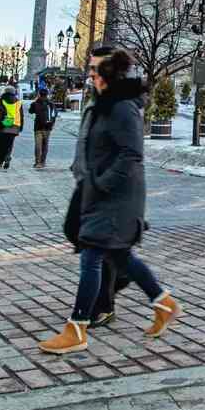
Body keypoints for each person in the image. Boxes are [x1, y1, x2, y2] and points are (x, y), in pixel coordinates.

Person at [41, 50, 180, 354]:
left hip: (116, 198)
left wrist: (101, 183)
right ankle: (163, 302)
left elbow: (132, 154)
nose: (90, 74)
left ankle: (77, 328)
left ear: (110, 72)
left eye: (95, 69)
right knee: (120, 257)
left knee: (91, 256)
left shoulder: (122, 107)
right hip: (103, 194)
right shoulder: (105, 103)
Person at [69, 46, 123, 327]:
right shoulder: (97, 97)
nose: (91, 72)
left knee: (94, 249)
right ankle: (119, 279)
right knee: (78, 233)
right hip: (87, 182)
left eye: (96, 67)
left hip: (101, 187)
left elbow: (126, 153)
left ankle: (94, 310)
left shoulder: (118, 103)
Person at [0, 87, 23, 169]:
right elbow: (21, 116)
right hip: (14, 126)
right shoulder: (18, 103)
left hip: (1, 125)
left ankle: (0, 161)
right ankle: (7, 157)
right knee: (9, 144)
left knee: (0, 144)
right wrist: (21, 126)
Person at [28, 86, 56, 168]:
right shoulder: (51, 104)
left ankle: (38, 162)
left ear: (39, 94)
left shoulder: (35, 103)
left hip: (38, 127)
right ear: (47, 95)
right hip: (48, 127)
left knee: (38, 145)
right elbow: (54, 114)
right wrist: (52, 124)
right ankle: (43, 161)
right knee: (45, 144)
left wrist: (35, 101)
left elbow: (30, 111)